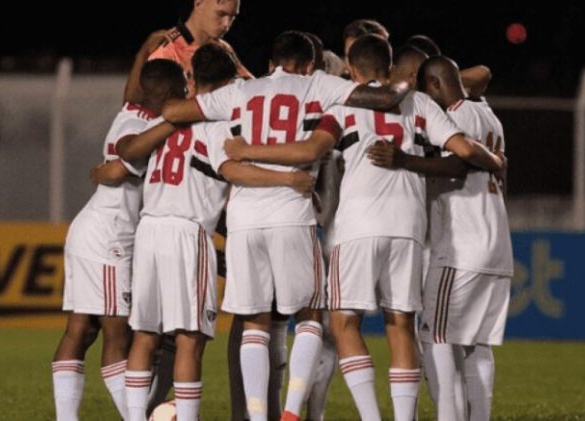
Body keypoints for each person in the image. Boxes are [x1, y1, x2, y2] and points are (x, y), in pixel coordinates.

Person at [223, 34, 505, 421]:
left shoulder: (340, 105)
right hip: (407, 225)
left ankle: (371, 417)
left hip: (356, 226)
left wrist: (248, 152)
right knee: (401, 324)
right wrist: (495, 159)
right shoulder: (419, 102)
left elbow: (310, 151)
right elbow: (465, 150)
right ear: (389, 68)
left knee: (343, 322)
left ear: (351, 71)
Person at [162, 30, 415, 421]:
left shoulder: (243, 91)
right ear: (309, 63)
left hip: (244, 218)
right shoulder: (317, 83)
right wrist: (402, 81)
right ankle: (292, 411)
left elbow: (174, 113)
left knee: (254, 324)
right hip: (291, 211)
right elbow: (382, 97)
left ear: (270, 63)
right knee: (311, 315)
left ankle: (259, 416)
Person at [118, 44, 315, 421]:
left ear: (194, 79)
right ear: (228, 83)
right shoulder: (218, 125)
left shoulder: (162, 122)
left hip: (148, 230)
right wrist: (288, 179)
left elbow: (126, 155)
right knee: (190, 339)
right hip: (187, 233)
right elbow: (233, 171)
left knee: (145, 334)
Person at [51, 58, 175, 421]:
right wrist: (116, 168)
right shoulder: (141, 123)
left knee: (81, 329)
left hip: (93, 231)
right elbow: (126, 154)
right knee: (117, 336)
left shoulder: (131, 111)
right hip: (109, 239)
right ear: (168, 94)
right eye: (181, 90)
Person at [417, 55, 512, 421]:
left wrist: (402, 161)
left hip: (462, 246)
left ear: (435, 86)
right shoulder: (487, 113)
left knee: (434, 336)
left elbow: (455, 164)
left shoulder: (451, 118)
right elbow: (482, 73)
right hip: (496, 243)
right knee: (477, 344)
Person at [124, 0, 252, 104]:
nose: (226, 24)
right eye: (221, 14)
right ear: (198, 4)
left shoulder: (223, 48)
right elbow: (141, 106)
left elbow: (253, 88)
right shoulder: (167, 49)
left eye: (232, 17)